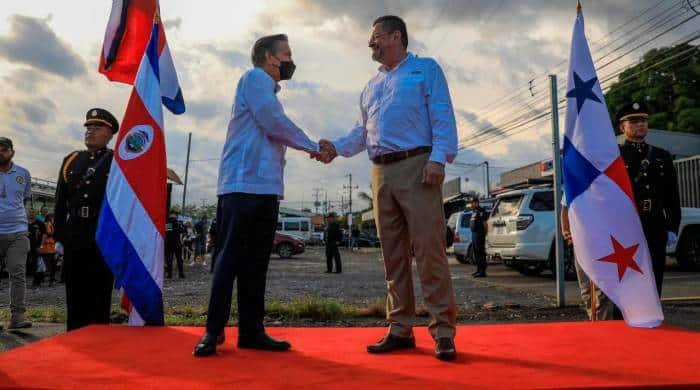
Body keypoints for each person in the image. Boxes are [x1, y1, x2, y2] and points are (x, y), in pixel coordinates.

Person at [316, 15, 458, 361]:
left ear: (397, 36)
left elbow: (442, 114)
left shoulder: (425, 70)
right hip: (380, 172)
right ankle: (399, 328)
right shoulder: (370, 86)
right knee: (393, 256)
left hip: (418, 166)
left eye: (376, 37)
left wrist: (439, 158)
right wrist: (335, 147)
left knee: (429, 251)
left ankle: (443, 332)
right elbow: (361, 133)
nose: (371, 43)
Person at [193, 34, 322, 357]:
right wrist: (314, 147)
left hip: (266, 189)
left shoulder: (268, 90)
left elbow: (275, 124)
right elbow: (273, 123)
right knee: (228, 262)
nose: (291, 61)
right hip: (241, 186)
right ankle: (213, 330)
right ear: (268, 57)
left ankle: (251, 331)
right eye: (287, 54)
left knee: (255, 264)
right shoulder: (254, 79)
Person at [54, 108, 119, 331]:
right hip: (75, 233)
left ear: (110, 134)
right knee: (74, 289)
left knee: (100, 289)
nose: (90, 130)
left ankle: (99, 337)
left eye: (97, 127)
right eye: (88, 127)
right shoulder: (71, 160)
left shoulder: (117, 161)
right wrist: (59, 237)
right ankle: (74, 334)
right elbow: (60, 202)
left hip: (103, 232)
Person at [616, 102, 681, 296]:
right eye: (634, 121)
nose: (640, 125)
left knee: (654, 273)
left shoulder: (662, 156)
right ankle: (624, 321)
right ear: (622, 127)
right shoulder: (615, 156)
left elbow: (672, 195)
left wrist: (672, 227)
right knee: (627, 274)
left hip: (655, 223)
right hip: (626, 223)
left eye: (643, 120)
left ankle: (651, 319)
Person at [561, 206, 618, 320]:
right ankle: (594, 322)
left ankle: (604, 328)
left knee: (602, 291)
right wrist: (565, 229)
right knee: (586, 290)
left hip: (603, 241)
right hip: (581, 241)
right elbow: (565, 206)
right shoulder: (574, 188)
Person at [0, 137, 33, 329]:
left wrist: (26, 214)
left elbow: (27, 198)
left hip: (18, 232)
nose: (1, 153)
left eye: (4, 149)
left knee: (18, 273)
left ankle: (18, 316)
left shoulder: (23, 174)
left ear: (12, 151)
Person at [37, 214, 58, 286]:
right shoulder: (47, 224)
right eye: (52, 217)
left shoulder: (48, 224)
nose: (53, 219)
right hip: (48, 248)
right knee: (49, 265)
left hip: (49, 247)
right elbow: (48, 233)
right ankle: (49, 280)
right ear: (50, 218)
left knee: (47, 264)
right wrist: (55, 233)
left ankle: (46, 279)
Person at [469, 198, 488, 278]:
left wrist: (484, 234)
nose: (471, 205)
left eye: (472, 203)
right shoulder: (474, 212)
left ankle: (482, 272)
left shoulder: (481, 211)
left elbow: (485, 224)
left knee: (480, 253)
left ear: (476, 203)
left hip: (479, 234)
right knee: (476, 253)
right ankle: (478, 270)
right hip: (474, 234)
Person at [165, 209, 185, 279]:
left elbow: (168, 232)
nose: (176, 216)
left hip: (170, 243)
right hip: (177, 242)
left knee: (169, 259)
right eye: (176, 214)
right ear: (173, 214)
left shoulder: (168, 222)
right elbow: (182, 230)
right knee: (179, 258)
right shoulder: (178, 222)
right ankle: (181, 273)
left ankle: (169, 274)